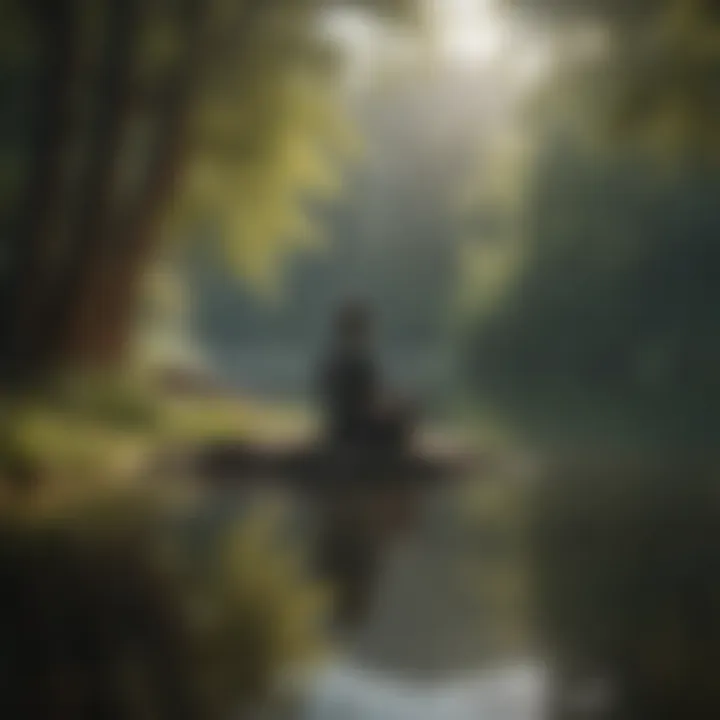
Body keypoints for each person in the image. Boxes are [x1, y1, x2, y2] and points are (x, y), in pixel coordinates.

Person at [319, 302, 416, 453]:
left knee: (402, 406)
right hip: (358, 430)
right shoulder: (356, 364)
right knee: (406, 410)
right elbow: (367, 404)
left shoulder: (334, 361)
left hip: (342, 428)